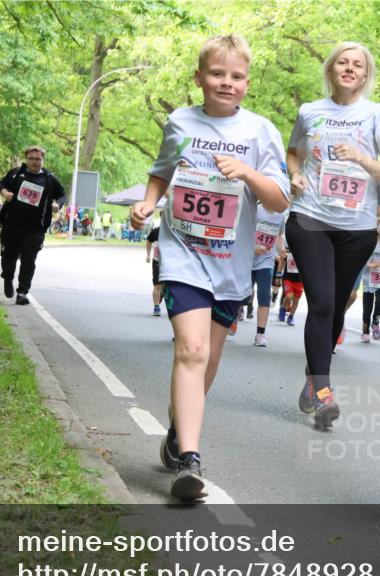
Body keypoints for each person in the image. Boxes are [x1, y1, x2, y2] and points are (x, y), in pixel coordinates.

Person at [129, 34, 289, 501]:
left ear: (247, 83)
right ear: (199, 78)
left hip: (231, 265)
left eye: (236, 76)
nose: (226, 83)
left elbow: (280, 199)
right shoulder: (179, 121)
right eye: (217, 74)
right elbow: (162, 171)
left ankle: (179, 430)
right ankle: (190, 462)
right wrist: (147, 203)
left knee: (209, 359)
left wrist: (249, 174)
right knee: (192, 351)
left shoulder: (261, 132)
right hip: (182, 253)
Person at [286, 41, 380, 431]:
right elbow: (293, 152)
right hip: (311, 219)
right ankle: (323, 392)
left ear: (366, 75)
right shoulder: (309, 112)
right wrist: (296, 174)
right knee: (320, 302)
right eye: (343, 63)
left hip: (357, 228)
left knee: (335, 307)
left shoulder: (377, 114)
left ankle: (313, 377)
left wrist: (360, 158)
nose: (350, 69)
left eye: (358, 65)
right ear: (331, 69)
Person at [0, 146, 67, 305]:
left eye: (38, 159)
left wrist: (57, 204)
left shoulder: (49, 179)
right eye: (31, 159)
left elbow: (63, 195)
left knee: (29, 260)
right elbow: (2, 184)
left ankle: (22, 292)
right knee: (9, 256)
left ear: (43, 160)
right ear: (26, 159)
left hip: (35, 228)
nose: (35, 162)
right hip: (12, 225)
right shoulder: (16, 174)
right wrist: (5, 194)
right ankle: (8, 278)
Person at [251, 204, 285, 346]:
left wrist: (281, 250)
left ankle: (260, 334)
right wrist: (254, 248)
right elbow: (243, 231)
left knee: (264, 295)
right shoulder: (255, 209)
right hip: (247, 258)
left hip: (266, 261)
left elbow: (278, 235)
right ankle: (232, 317)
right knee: (244, 293)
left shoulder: (280, 216)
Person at [145, 222, 163, 316]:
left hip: (171, 264)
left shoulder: (175, 231)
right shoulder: (156, 231)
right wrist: (148, 255)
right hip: (157, 261)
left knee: (165, 286)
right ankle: (156, 307)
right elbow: (148, 241)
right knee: (157, 285)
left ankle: (161, 293)